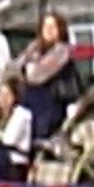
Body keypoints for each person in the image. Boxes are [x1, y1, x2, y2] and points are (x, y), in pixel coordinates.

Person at [13, 11, 80, 141]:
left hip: (50, 104)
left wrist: (27, 68)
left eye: (53, 27)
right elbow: (15, 67)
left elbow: (36, 75)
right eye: (46, 26)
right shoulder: (33, 48)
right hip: (29, 101)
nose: (49, 30)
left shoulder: (62, 51)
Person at [0, 77, 34, 177]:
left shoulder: (22, 114)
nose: (3, 98)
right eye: (0, 94)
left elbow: (9, 140)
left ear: (14, 97)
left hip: (15, 163)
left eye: (7, 95)